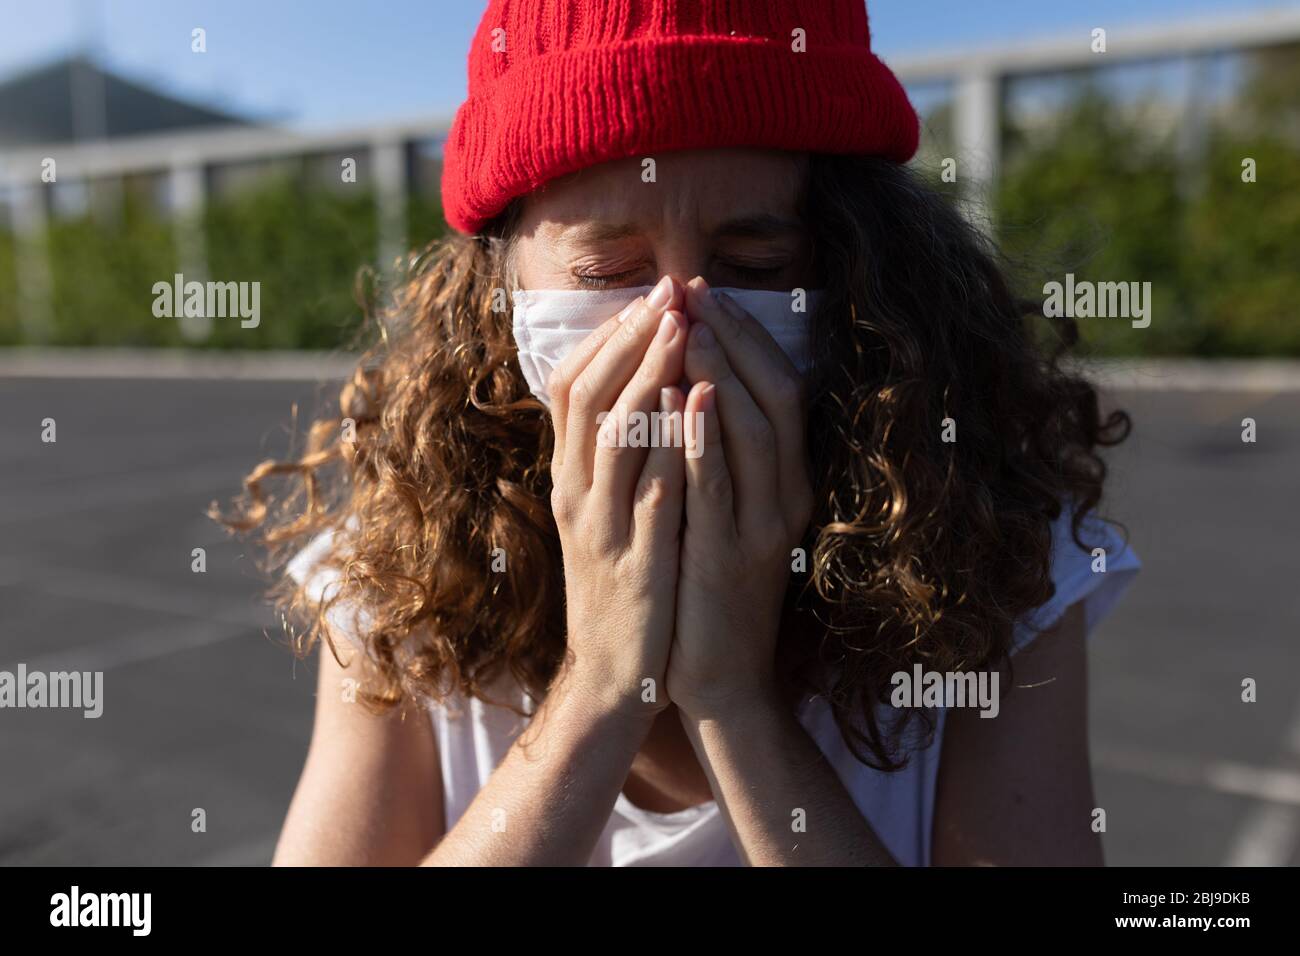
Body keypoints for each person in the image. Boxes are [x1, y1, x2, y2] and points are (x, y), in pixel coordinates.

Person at [218, 0, 1140, 866]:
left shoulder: (1004, 557)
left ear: (860, 273)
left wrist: (734, 705)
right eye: (607, 270)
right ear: (498, 289)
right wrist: (598, 693)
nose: (678, 327)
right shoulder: (398, 572)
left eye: (753, 265)